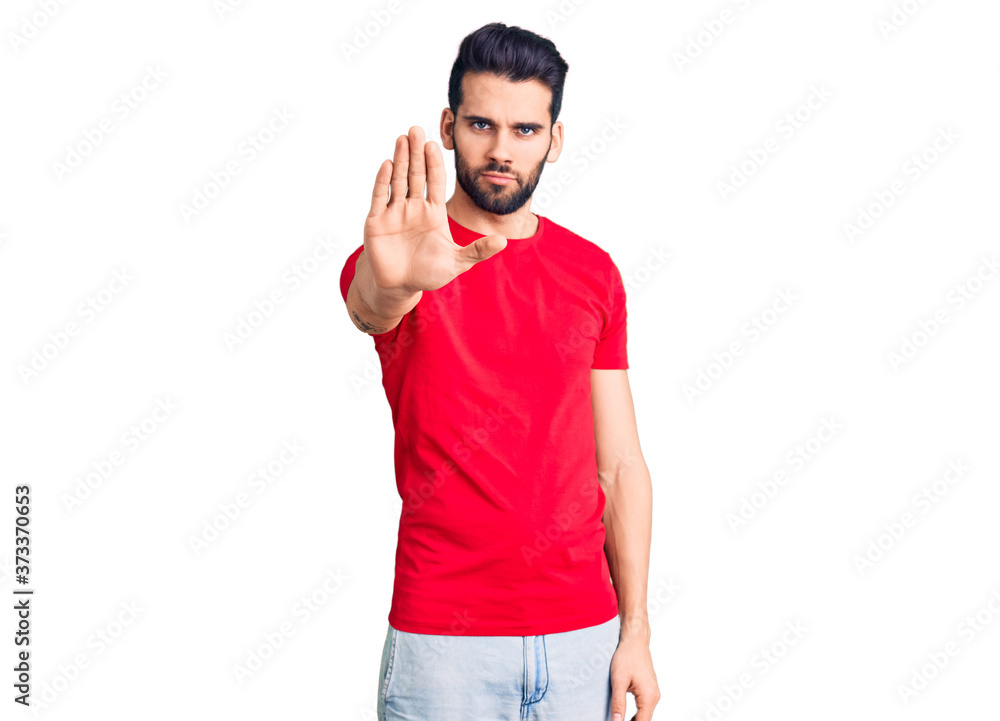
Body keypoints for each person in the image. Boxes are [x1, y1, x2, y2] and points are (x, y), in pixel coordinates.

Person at [339, 22, 659, 721]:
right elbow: (370, 308)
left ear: (554, 139)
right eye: (482, 124)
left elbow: (620, 465)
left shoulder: (593, 273)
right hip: (444, 646)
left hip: (584, 640)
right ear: (449, 127)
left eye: (525, 130)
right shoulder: (405, 258)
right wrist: (395, 285)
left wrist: (635, 629)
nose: (501, 151)